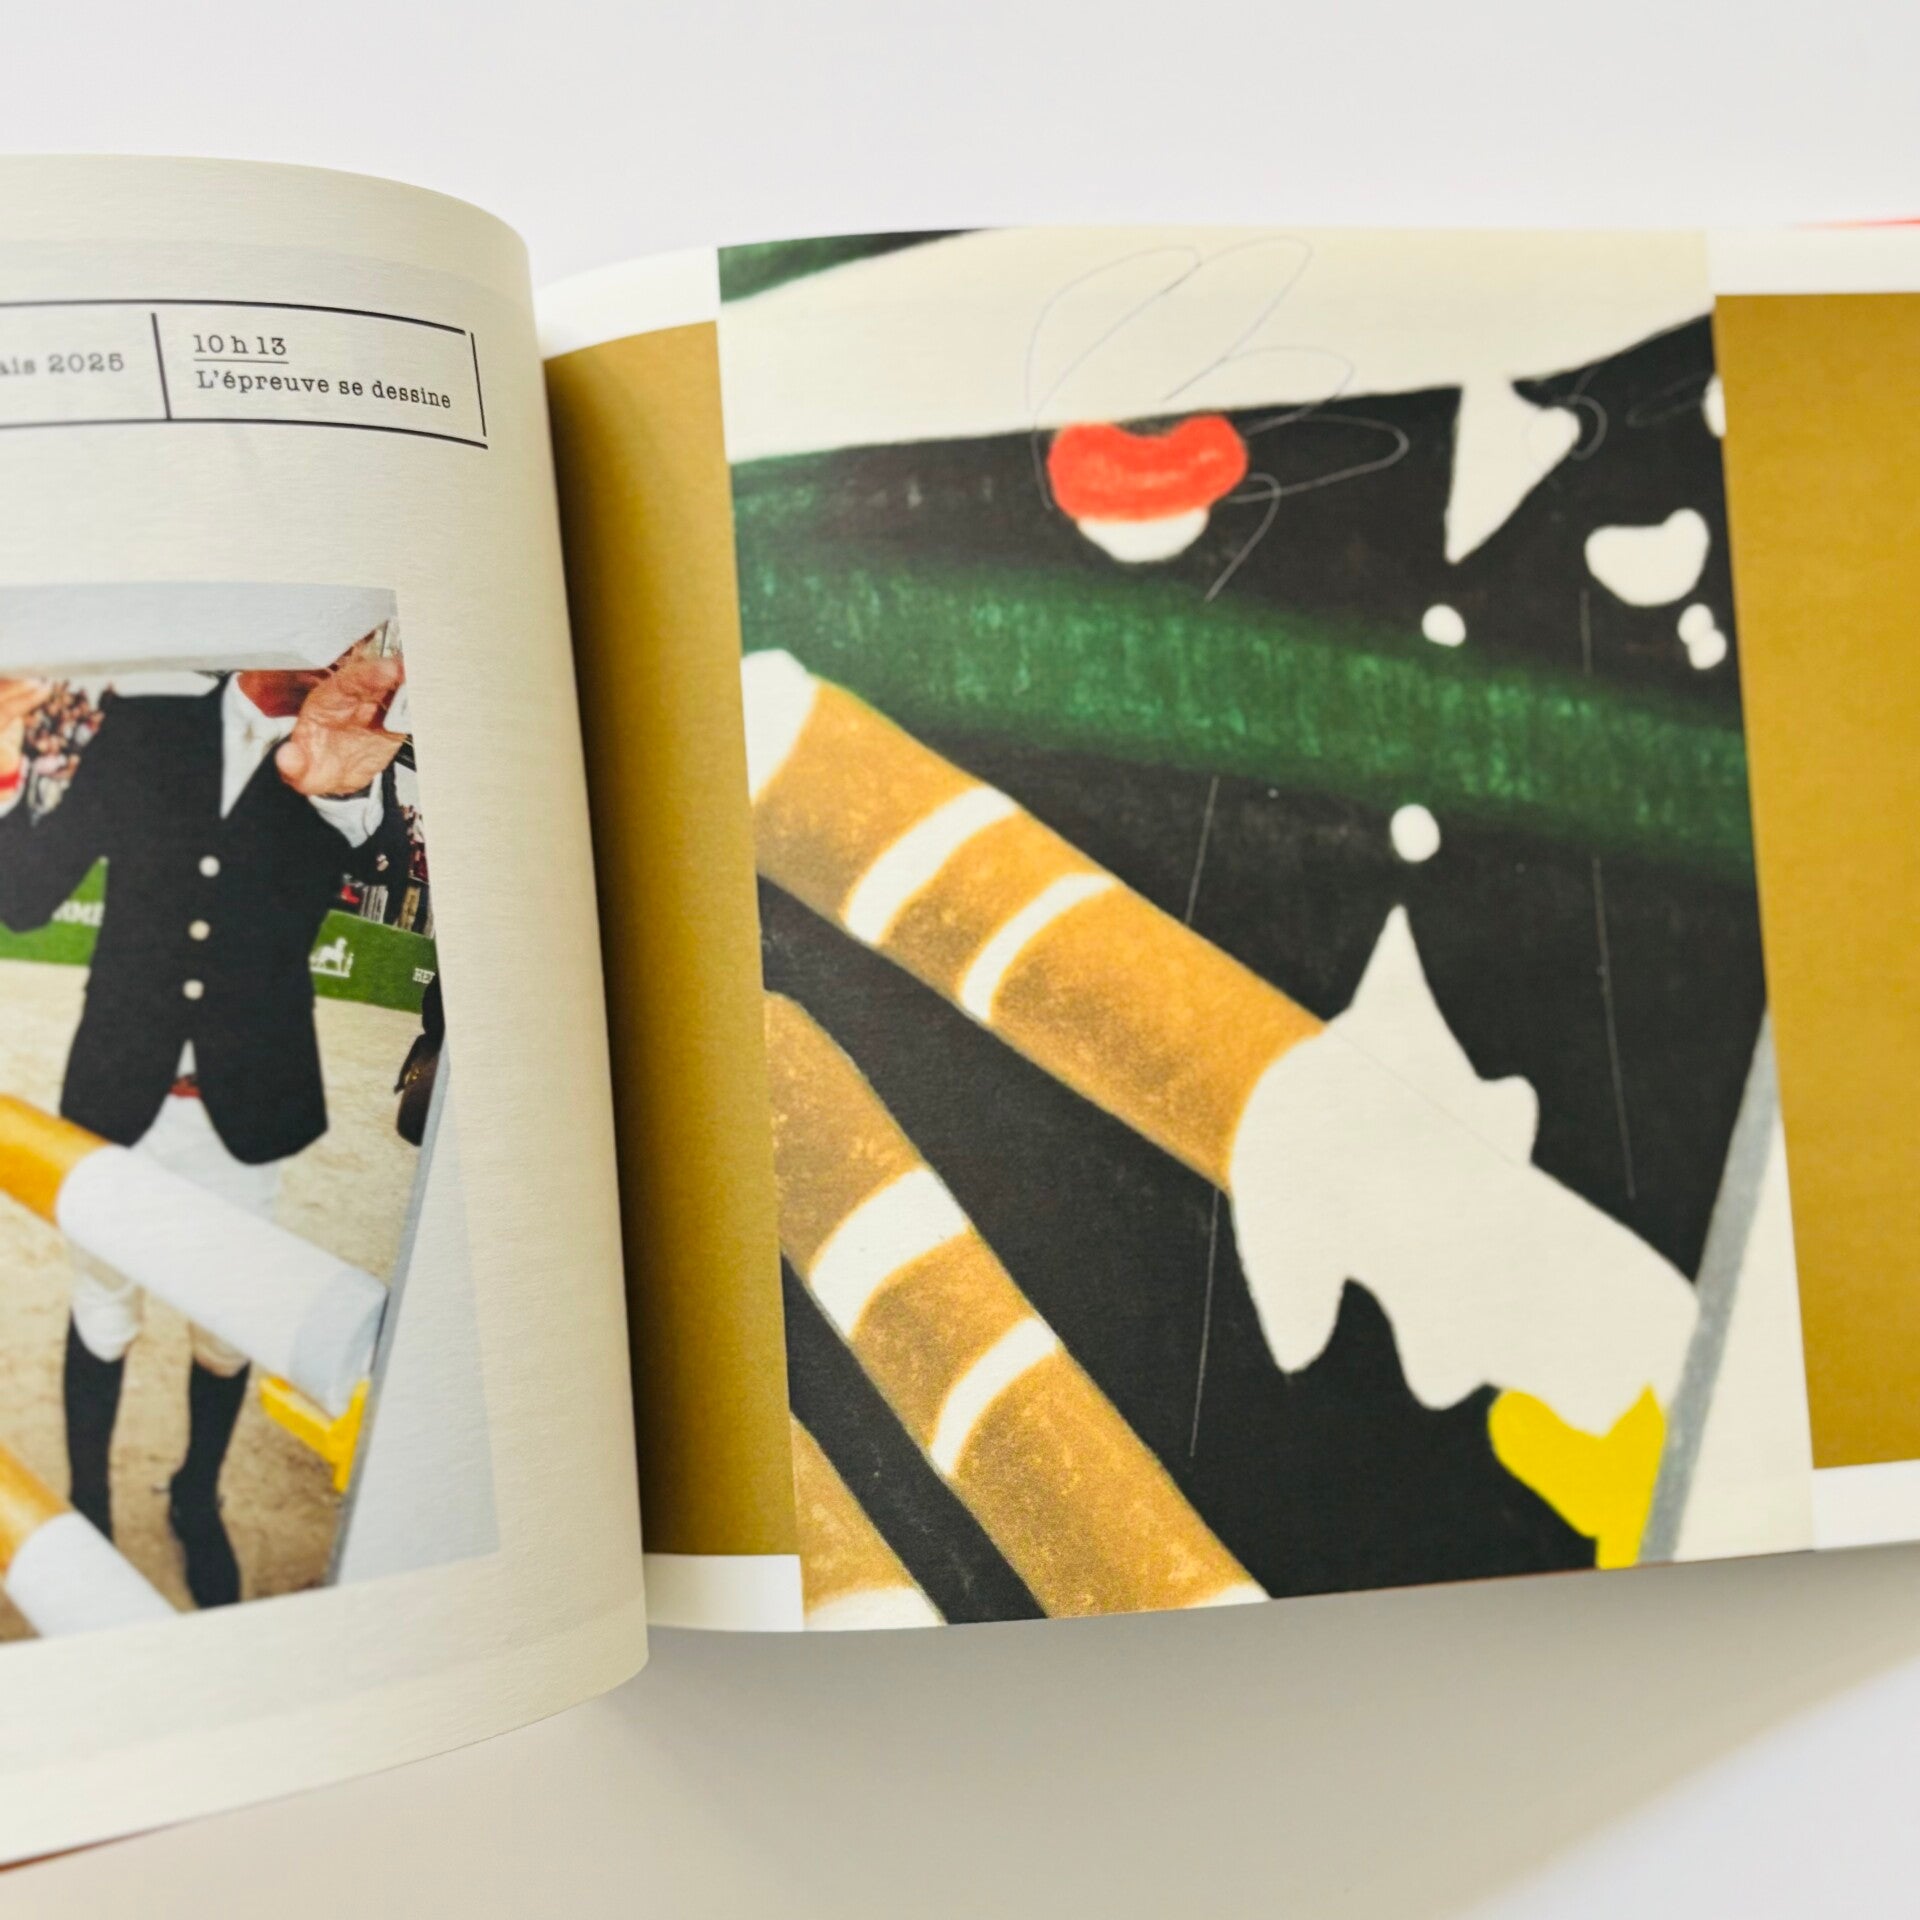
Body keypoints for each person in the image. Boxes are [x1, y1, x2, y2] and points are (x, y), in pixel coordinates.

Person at [0, 643, 409, 1607]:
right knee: (101, 1311)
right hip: (117, 1101)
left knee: (226, 1333)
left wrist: (337, 791)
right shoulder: (146, 723)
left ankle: (195, 1496)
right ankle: (90, 1504)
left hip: (244, 1111)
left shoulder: (352, 754)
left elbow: (380, 859)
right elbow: (22, 899)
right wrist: (9, 772)